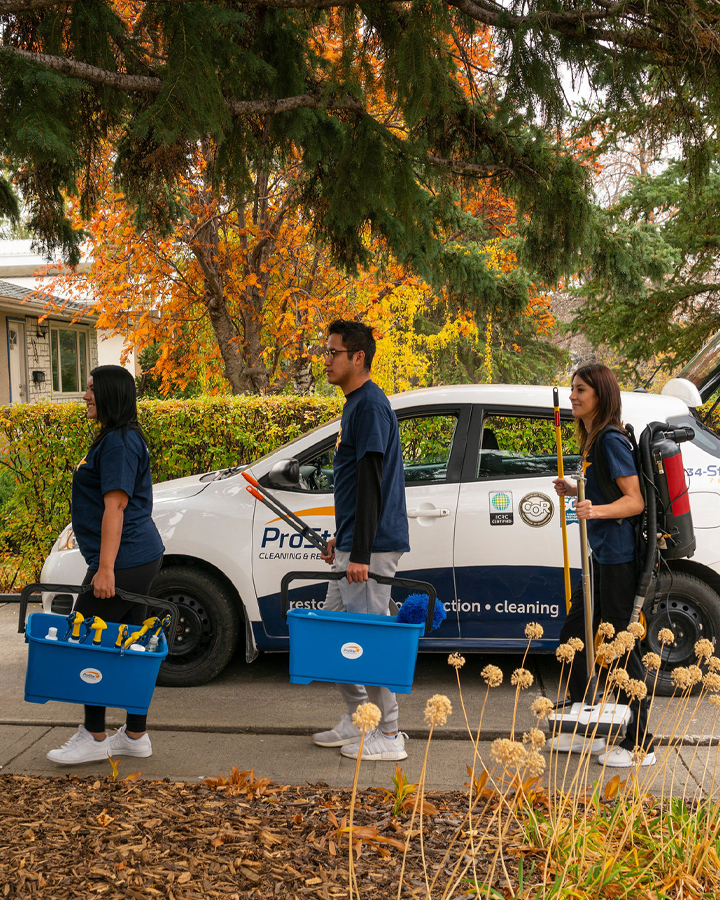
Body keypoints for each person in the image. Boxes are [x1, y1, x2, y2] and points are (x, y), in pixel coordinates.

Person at [47, 365, 165, 766]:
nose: (85, 396)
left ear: (111, 393)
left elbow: (115, 506)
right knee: (133, 643)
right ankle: (135, 734)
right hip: (139, 555)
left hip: (125, 558)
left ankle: (95, 737)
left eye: (93, 389)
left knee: (88, 640)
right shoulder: (120, 438)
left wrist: (106, 568)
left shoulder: (117, 443)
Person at [312, 320, 410, 761]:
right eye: (326, 351)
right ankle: (358, 719)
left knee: (368, 642)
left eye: (333, 352)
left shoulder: (369, 405)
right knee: (332, 638)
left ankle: (389, 734)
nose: (326, 359)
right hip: (355, 542)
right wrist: (343, 538)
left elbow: (372, 483)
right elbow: (357, 487)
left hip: (372, 548)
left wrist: (363, 553)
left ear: (358, 358)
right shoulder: (356, 404)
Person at [553, 363, 656, 768]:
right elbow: (606, 489)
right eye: (573, 389)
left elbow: (634, 501)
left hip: (618, 561)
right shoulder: (593, 439)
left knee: (618, 648)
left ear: (601, 395)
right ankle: (587, 723)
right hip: (600, 559)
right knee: (575, 633)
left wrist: (593, 511)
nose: (574, 396)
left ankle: (640, 742)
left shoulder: (610, 440)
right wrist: (577, 489)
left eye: (581, 390)